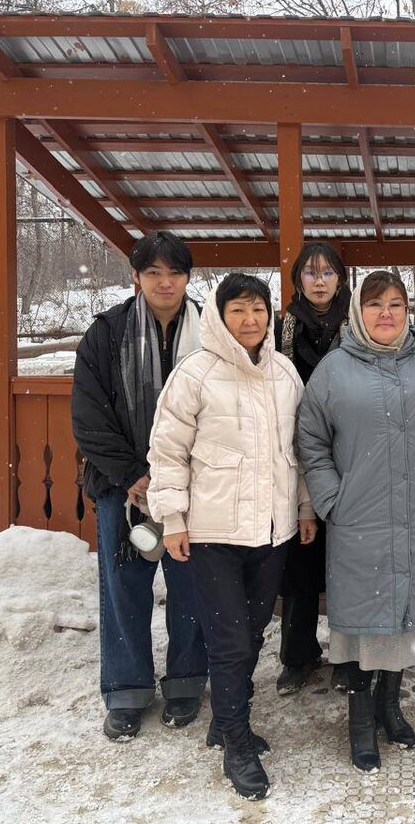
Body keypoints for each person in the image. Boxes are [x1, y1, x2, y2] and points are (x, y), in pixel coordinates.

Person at [146, 273, 315, 801]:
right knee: (230, 639)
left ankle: (225, 720)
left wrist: (305, 508)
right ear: (219, 317)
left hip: (272, 531)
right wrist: (173, 518)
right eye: (238, 310)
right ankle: (236, 743)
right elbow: (168, 450)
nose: (250, 320)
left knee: (254, 630)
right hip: (212, 531)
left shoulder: (284, 372)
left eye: (258, 310)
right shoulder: (194, 373)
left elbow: (300, 449)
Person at [296, 270, 415, 772]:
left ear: (408, 311)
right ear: (357, 313)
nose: (386, 313)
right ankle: (360, 720)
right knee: (367, 622)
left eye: (396, 303)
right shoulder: (333, 369)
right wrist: (331, 499)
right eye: (374, 304)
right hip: (358, 517)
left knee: (405, 618)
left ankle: (390, 706)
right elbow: (311, 438)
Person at [70, 231, 208, 743]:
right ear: (136, 277)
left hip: (193, 487)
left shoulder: (210, 332)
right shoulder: (107, 334)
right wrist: (135, 475)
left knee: (192, 585)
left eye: (174, 273)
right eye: (153, 273)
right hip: (122, 486)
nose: (164, 282)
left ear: (188, 278)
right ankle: (126, 690)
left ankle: (187, 680)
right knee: (123, 587)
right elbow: (89, 417)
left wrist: (183, 476)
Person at [273, 241, 352, 697]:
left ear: (340, 279)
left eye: (327, 272)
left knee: (347, 563)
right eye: (310, 272)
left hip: (347, 457)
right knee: (299, 564)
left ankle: (348, 656)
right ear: (298, 280)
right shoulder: (281, 328)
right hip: (294, 455)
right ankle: (298, 655)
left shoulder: (356, 324)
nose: (319, 281)